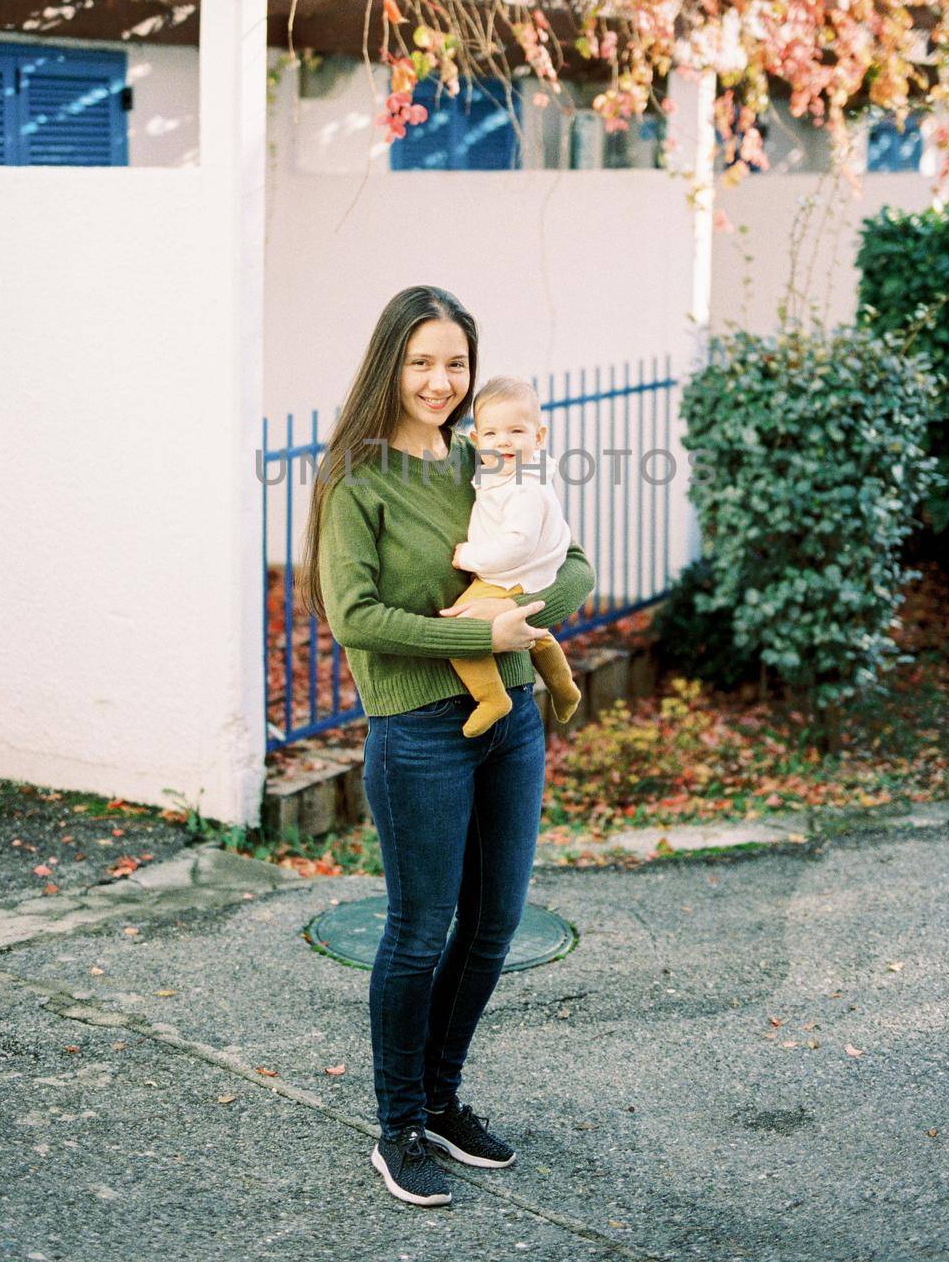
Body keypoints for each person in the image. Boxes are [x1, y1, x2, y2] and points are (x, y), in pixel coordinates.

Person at [298, 285, 595, 1208]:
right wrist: (481, 637)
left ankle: (440, 1097)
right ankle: (397, 1128)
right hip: (419, 731)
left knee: (495, 922)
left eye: (455, 363)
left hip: (507, 724)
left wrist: (521, 619)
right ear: (391, 361)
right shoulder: (356, 476)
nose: (440, 380)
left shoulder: (486, 456)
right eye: (422, 361)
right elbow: (354, 616)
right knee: (421, 931)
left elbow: (572, 563)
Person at [448, 374, 582, 737]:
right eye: (490, 434)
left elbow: (515, 546)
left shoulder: (525, 487)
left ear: (538, 437)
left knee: (458, 631)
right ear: (476, 440)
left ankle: (492, 698)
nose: (503, 441)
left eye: (516, 432)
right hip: (523, 573)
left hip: (508, 575)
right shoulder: (506, 473)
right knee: (536, 635)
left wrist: (470, 557)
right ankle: (565, 688)